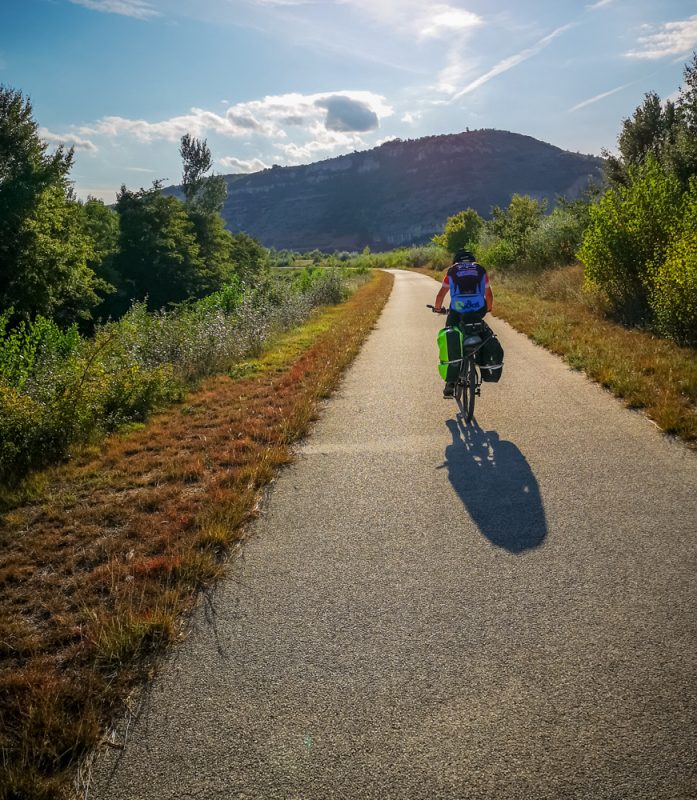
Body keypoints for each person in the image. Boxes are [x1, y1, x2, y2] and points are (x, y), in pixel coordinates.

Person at [433, 249, 494, 397]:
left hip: (457, 311)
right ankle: (479, 359)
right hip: (478, 310)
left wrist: (438, 308)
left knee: (451, 337)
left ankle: (450, 384)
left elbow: (441, 294)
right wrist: (488, 308)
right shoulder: (480, 270)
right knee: (480, 331)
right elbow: (489, 294)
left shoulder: (452, 272)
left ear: (456, 261)